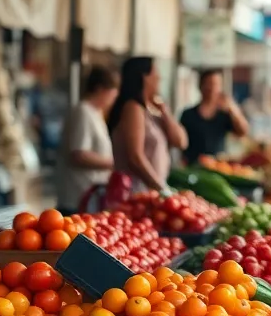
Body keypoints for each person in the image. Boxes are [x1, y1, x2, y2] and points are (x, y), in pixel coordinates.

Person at [109, 57, 187, 192]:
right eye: (155, 72)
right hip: (136, 193)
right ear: (145, 77)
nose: (159, 77)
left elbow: (181, 142)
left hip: (151, 190)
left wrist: (165, 112)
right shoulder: (132, 108)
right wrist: (161, 188)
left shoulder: (151, 110)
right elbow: (135, 157)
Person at [57, 67, 119, 214]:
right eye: (111, 94)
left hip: (92, 197)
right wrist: (114, 163)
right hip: (78, 198)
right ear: (99, 89)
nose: (112, 100)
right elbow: (78, 154)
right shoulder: (82, 112)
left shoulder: (96, 113)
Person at [178, 71, 249, 165]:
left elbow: (243, 132)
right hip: (193, 167)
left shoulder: (224, 114)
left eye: (216, 84)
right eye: (209, 83)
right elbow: (180, 144)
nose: (213, 88)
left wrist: (233, 109)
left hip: (218, 167)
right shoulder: (188, 114)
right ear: (201, 86)